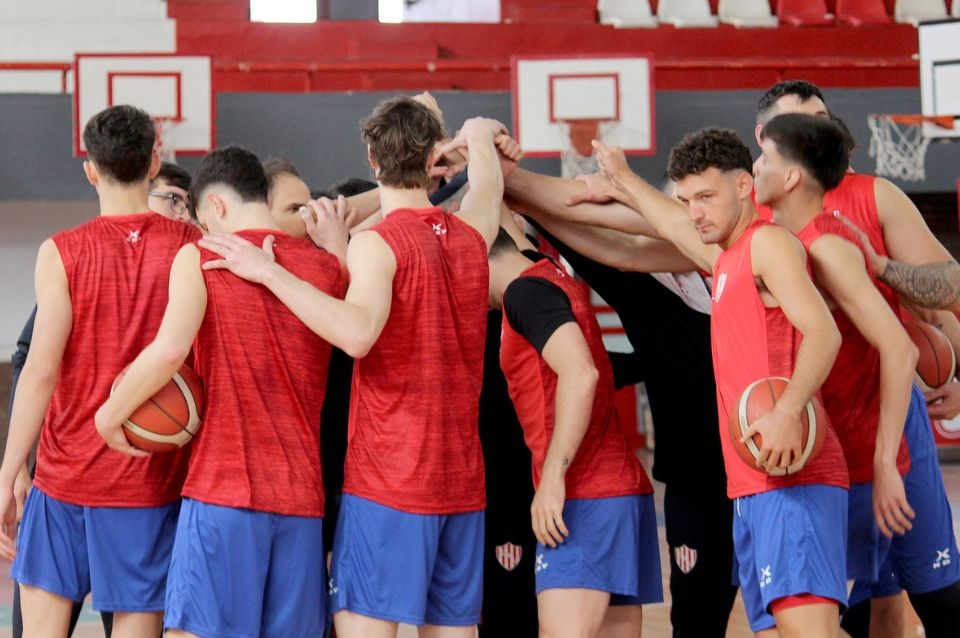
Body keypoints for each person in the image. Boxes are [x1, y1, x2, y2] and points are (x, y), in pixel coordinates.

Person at [196, 99, 509, 638]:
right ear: (432, 158)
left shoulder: (376, 244)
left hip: (390, 483)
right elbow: (488, 188)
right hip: (461, 485)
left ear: (371, 157)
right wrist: (481, 134)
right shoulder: (472, 234)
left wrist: (269, 273)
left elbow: (357, 333)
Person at [591, 127, 849, 637]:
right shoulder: (723, 257)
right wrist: (622, 178)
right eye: (687, 199)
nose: (695, 212)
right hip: (751, 485)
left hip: (793, 476)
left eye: (706, 197)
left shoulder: (768, 244)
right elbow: (666, 222)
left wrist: (787, 410)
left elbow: (825, 332)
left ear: (744, 185)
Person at [94, 145, 344, 638]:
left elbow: (169, 351)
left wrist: (108, 415)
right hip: (301, 505)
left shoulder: (201, 256)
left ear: (216, 206)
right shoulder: (327, 270)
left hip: (224, 494)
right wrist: (337, 247)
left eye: (205, 222)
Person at [756, 81, 960, 638]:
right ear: (764, 137)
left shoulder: (873, 196)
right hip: (807, 436)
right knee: (831, 609)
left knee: (930, 594)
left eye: (823, 118)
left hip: (888, 420)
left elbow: (946, 290)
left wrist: (885, 268)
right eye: (802, 122)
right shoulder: (751, 214)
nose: (818, 129)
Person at [0, 104, 199, 637]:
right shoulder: (190, 247)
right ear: (154, 161)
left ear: (90, 170)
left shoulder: (61, 251)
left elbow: (39, 370)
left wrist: (8, 472)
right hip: (146, 483)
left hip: (63, 480)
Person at [488, 225, 662, 637]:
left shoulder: (525, 293)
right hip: (615, 490)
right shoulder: (549, 275)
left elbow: (582, 373)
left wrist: (553, 477)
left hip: (585, 495)